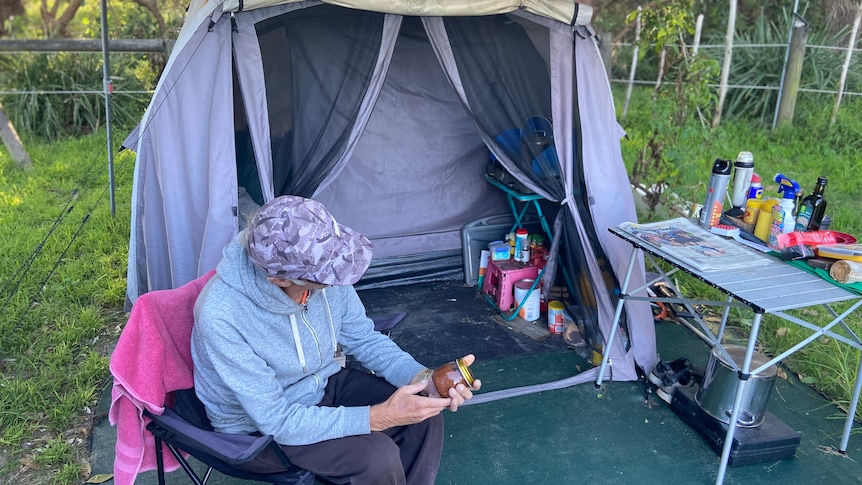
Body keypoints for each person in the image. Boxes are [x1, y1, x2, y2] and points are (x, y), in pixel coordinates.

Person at [191, 195, 481, 485]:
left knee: (423, 414)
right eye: (326, 278)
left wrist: (425, 378)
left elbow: (364, 339)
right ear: (280, 280)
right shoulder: (221, 313)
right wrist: (380, 417)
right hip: (256, 430)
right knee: (375, 457)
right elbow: (276, 420)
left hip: (321, 382)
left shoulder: (326, 265)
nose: (338, 278)